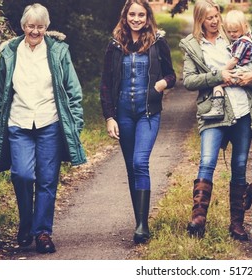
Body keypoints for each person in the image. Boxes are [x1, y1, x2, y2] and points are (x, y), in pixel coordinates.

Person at [0, 3, 86, 254]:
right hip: (18, 123)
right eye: (31, 26)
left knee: (47, 180)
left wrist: (75, 122)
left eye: (40, 27)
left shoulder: (58, 52)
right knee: (22, 174)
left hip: (49, 122)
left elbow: (73, 90)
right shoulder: (10, 53)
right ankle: (26, 222)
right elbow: (1, 92)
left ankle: (42, 232)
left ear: (47, 27)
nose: (35, 31)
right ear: (23, 26)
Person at [179, 0, 252, 240]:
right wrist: (219, 75)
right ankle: (198, 220)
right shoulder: (194, 46)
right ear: (200, 20)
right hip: (213, 112)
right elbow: (188, 81)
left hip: (241, 109)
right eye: (209, 17)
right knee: (207, 161)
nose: (215, 21)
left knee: (239, 167)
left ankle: (237, 224)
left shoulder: (232, 34)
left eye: (216, 15)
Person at [99, 0, 176, 244]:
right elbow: (105, 84)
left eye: (141, 14)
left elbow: (171, 75)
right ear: (125, 16)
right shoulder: (114, 45)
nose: (136, 19)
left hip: (148, 112)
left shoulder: (157, 41)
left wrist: (162, 84)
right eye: (132, 14)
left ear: (147, 16)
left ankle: (143, 226)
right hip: (123, 114)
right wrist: (109, 117)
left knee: (140, 161)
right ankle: (138, 219)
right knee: (132, 167)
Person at [201, 9, 252, 120]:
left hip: (241, 73)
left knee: (217, 84)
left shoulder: (243, 42)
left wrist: (221, 72)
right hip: (245, 71)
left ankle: (217, 108)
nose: (231, 34)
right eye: (228, 32)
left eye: (235, 31)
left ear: (244, 27)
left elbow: (234, 60)